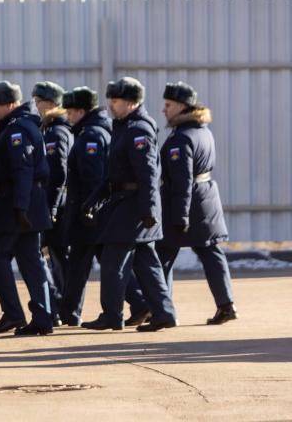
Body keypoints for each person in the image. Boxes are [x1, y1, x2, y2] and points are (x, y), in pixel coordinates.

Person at [81, 77, 177, 332]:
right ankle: (164, 313)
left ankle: (112, 315)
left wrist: (148, 211)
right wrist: (94, 200)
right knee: (147, 264)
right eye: (110, 99)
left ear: (132, 103)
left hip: (133, 207)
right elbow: (114, 174)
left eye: (116, 100)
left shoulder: (138, 130)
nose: (111, 104)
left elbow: (147, 175)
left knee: (113, 261)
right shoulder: (124, 126)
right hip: (126, 203)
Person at [0, 81, 55, 336]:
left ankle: (13, 313)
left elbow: (23, 170)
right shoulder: (12, 127)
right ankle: (42, 317)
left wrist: (20, 208)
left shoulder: (17, 130)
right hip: (21, 204)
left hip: (17, 205)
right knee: (30, 261)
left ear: (11, 104)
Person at [156, 82, 236, 324]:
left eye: (168, 105)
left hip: (187, 204)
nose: (164, 110)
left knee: (161, 257)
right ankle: (226, 304)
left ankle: (161, 308)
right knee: (212, 253)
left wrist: (180, 217)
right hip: (206, 199)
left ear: (182, 106)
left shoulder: (181, 139)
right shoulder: (203, 131)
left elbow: (182, 181)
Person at [58, 87, 111, 326]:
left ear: (81, 111)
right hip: (89, 209)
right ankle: (69, 311)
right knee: (82, 262)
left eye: (70, 112)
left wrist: (90, 208)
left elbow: (93, 177)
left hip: (88, 210)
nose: (68, 117)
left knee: (89, 262)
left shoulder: (90, 135)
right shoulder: (91, 131)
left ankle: (141, 303)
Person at [32, 82, 72, 325]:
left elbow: (58, 175)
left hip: (60, 204)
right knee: (54, 256)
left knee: (58, 257)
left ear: (51, 103)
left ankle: (62, 305)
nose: (36, 106)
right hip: (56, 202)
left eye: (39, 101)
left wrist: (52, 208)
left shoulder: (57, 132)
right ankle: (61, 305)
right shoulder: (49, 129)